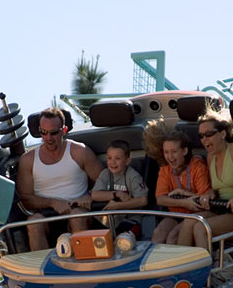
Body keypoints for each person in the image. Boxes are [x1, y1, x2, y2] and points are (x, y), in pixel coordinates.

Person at [16, 107, 103, 251]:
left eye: (53, 133)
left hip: (77, 209)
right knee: (34, 223)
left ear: (64, 130)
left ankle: (83, 264)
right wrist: (52, 203)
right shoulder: (28, 160)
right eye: (44, 133)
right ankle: (40, 270)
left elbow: (105, 180)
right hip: (46, 215)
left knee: (77, 216)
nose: (48, 138)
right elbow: (26, 199)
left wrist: (89, 196)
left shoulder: (79, 151)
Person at [176, 108, 233, 249]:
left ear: (223, 134)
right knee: (189, 222)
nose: (204, 140)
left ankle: (205, 270)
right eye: (201, 136)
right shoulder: (211, 157)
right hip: (221, 208)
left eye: (208, 134)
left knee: (201, 228)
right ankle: (181, 269)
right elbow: (215, 188)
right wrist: (209, 195)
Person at [149, 127, 214, 244]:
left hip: (196, 215)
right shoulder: (165, 169)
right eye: (166, 152)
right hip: (176, 215)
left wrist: (184, 194)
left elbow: (204, 199)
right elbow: (160, 199)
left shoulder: (197, 166)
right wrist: (184, 203)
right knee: (158, 232)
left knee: (172, 238)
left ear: (184, 151)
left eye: (174, 152)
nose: (170, 157)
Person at [91, 140, 148, 236]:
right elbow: (94, 195)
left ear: (127, 161)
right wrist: (116, 194)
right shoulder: (105, 174)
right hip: (108, 219)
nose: (112, 162)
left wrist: (117, 206)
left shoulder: (133, 175)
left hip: (130, 219)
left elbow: (143, 200)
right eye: (109, 158)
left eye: (117, 158)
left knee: (122, 237)